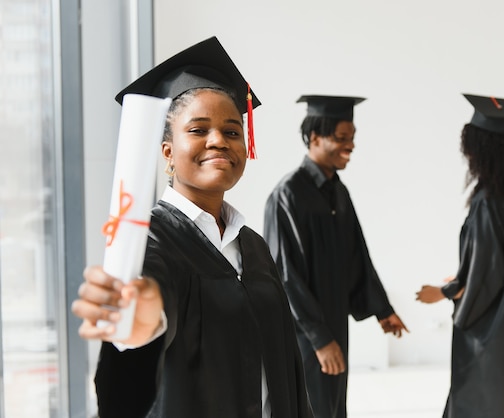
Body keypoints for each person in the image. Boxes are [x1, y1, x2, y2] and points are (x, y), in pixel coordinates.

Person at [71, 37, 313, 418]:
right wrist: (143, 323)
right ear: (167, 151)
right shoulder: (151, 238)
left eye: (232, 131)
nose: (218, 140)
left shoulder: (253, 246)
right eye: (198, 130)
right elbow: (150, 302)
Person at [263, 95, 409, 418]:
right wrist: (319, 338)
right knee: (307, 406)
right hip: (303, 334)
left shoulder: (338, 192)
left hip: (335, 326)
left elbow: (358, 257)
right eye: (342, 138)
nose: (351, 146)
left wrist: (382, 310)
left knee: (332, 407)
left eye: (352, 138)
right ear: (315, 138)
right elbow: (284, 276)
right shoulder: (287, 196)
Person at [416, 94, 504, 417]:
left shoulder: (486, 202)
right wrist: (465, 275)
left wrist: (445, 291)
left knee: (483, 401)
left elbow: (484, 278)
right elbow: (500, 264)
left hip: (491, 328)